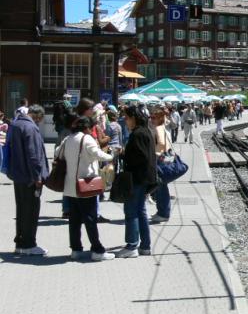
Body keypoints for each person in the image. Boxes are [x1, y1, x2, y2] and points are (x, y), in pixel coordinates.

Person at [61, 116, 114, 261]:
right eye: (91, 128)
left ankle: (76, 250)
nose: (92, 131)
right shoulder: (87, 138)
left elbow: (57, 153)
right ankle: (97, 250)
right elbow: (97, 154)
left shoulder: (68, 139)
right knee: (90, 219)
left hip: (70, 187)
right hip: (85, 185)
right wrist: (111, 156)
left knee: (74, 221)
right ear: (86, 128)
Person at [6, 104, 49, 255]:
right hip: (30, 177)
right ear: (37, 116)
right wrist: (38, 176)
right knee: (31, 210)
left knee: (21, 209)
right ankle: (29, 244)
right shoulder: (30, 128)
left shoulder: (16, 124)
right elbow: (34, 155)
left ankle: (20, 242)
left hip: (18, 175)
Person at [118, 105, 158, 258]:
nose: (125, 121)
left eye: (126, 118)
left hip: (136, 178)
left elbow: (141, 157)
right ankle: (145, 246)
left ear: (133, 118)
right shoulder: (146, 131)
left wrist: (124, 155)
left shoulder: (137, 134)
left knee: (131, 211)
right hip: (144, 178)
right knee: (141, 211)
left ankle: (132, 245)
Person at [149, 106, 172, 223]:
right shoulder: (163, 127)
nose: (151, 119)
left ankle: (163, 213)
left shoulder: (158, 128)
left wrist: (154, 154)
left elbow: (161, 144)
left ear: (160, 118)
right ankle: (162, 211)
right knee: (162, 186)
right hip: (168, 158)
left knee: (161, 186)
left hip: (161, 159)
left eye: (154, 117)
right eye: (151, 117)